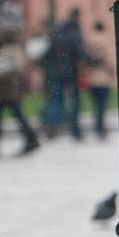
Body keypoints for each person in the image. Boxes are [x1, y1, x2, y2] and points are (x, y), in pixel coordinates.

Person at [0, 21, 40, 157]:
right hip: (8, 91)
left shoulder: (4, 53)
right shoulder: (14, 50)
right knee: (13, 117)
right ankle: (29, 139)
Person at [40, 7, 89, 141]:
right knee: (74, 101)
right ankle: (75, 130)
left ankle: (52, 124)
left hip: (56, 72)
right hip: (71, 72)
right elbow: (80, 52)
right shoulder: (75, 32)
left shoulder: (58, 32)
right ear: (77, 17)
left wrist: (44, 65)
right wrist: (92, 60)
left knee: (56, 100)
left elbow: (48, 52)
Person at [87, 19, 115, 137]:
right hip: (104, 78)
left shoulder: (88, 41)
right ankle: (100, 128)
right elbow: (110, 59)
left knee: (96, 104)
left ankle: (97, 126)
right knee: (103, 105)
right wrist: (113, 70)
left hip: (92, 78)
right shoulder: (106, 40)